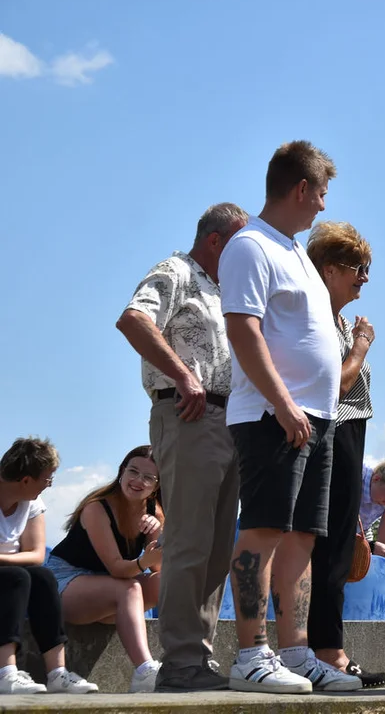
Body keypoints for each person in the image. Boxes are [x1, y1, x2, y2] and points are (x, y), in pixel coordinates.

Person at [218, 140, 358, 693]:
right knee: (264, 529)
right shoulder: (250, 246)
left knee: (302, 536)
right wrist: (282, 403)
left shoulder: (295, 249)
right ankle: (250, 655)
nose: (324, 205)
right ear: (301, 189)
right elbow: (242, 329)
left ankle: (295, 653)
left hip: (318, 416)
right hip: (273, 416)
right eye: (321, 193)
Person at [115, 202, 247, 692]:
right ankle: (180, 661)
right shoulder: (176, 271)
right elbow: (134, 319)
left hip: (228, 417)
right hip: (188, 413)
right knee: (189, 540)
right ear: (215, 241)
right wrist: (183, 374)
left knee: (215, 547)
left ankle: (198, 656)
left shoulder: (221, 287)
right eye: (238, 246)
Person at [303, 220, 385, 687]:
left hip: (349, 436)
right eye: (358, 267)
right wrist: (362, 344)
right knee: (326, 548)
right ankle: (326, 651)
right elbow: (339, 382)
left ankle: (326, 647)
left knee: (336, 546)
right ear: (329, 269)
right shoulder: (318, 318)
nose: (364, 277)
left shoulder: (334, 318)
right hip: (331, 432)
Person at [46, 445, 164, 693]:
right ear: (121, 472)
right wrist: (143, 562)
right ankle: (144, 670)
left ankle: (182, 658)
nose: (138, 481)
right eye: (133, 471)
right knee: (129, 588)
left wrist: (156, 534)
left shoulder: (153, 512)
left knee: (163, 581)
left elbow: (158, 568)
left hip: (107, 588)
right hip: (65, 581)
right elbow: (117, 569)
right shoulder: (97, 508)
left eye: (148, 477)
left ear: (157, 485)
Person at [0, 438, 97, 695]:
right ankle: (5, 673)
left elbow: (35, 555)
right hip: (10, 578)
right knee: (16, 577)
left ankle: (57, 673)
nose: (50, 484)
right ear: (25, 480)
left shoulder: (31, 504)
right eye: (47, 478)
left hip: (10, 571)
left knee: (42, 577)